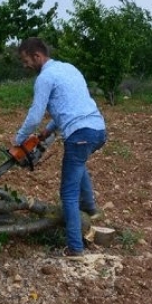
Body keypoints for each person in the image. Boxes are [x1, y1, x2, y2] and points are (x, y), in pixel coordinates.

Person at [12, 37, 106, 258]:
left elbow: (34, 116)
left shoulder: (45, 77)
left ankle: (74, 248)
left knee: (68, 193)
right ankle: (91, 209)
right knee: (78, 163)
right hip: (98, 130)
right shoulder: (69, 68)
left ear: (37, 56)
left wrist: (18, 139)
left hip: (80, 134)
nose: (25, 65)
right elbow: (70, 105)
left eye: (26, 60)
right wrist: (48, 131)